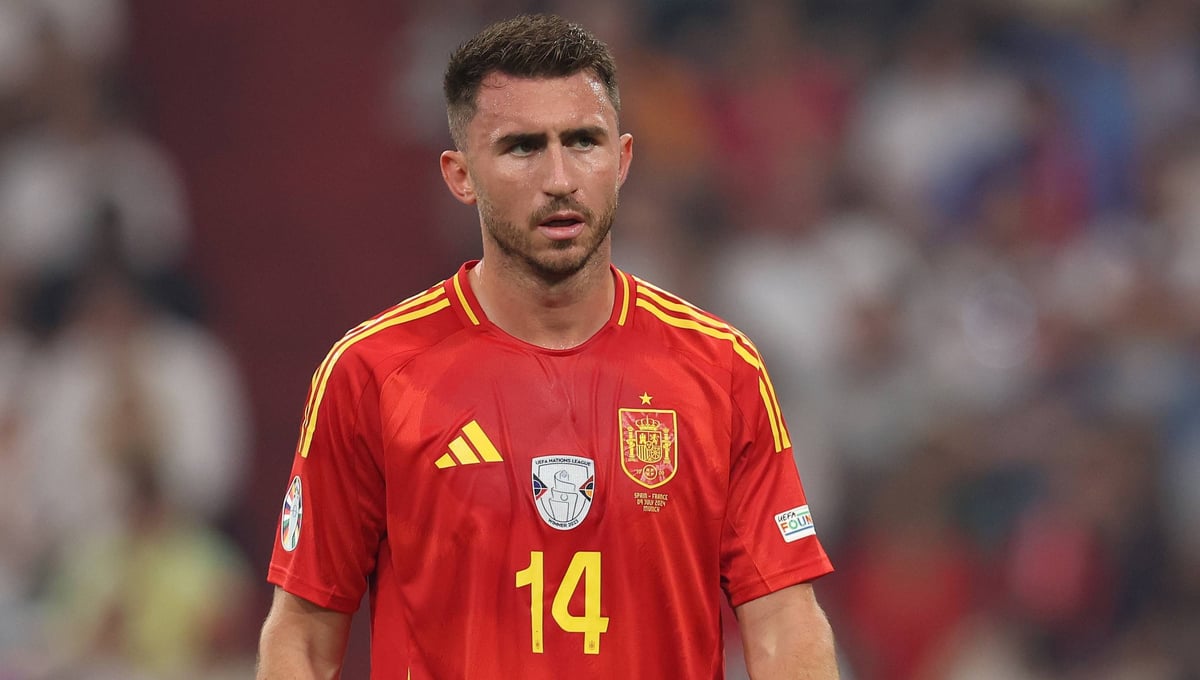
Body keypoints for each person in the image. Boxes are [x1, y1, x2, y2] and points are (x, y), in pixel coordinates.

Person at [257, 13, 837, 679]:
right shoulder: (373, 373)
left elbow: (784, 617)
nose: (560, 177)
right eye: (522, 147)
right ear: (460, 175)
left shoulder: (721, 368)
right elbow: (302, 635)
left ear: (622, 160)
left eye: (583, 141)